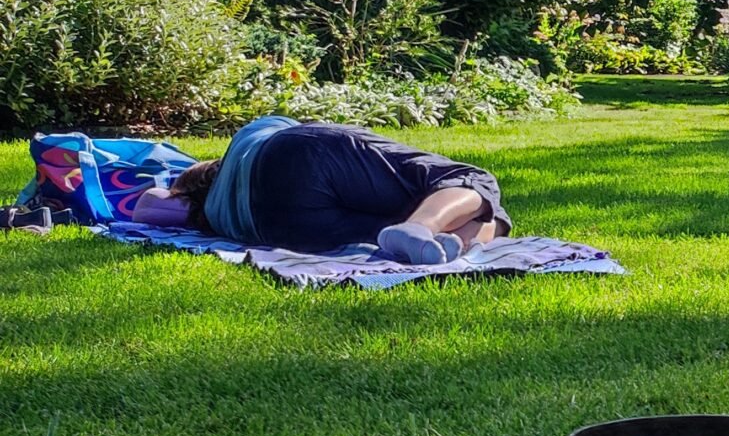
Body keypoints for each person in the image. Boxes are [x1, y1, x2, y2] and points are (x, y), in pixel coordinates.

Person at [132, 116, 509, 262]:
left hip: (284, 227)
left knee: (403, 220)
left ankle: (440, 242)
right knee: (471, 180)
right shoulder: (249, 142)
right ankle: (426, 229)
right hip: (295, 153)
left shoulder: (208, 214)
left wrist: (181, 190)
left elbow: (147, 206)